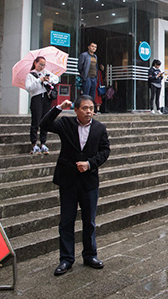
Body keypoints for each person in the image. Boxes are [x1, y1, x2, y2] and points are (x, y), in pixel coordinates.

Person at [40, 96, 110, 276]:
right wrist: (58, 108)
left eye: (91, 108)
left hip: (89, 181)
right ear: (76, 110)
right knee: (66, 221)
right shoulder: (66, 123)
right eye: (85, 108)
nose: (88, 111)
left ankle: (90, 255)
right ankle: (66, 259)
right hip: (68, 180)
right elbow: (44, 124)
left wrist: (90, 164)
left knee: (89, 221)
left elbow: (105, 151)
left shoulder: (99, 128)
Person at [25, 56, 59, 155]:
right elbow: (29, 88)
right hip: (36, 98)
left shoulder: (46, 72)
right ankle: (34, 143)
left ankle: (43, 142)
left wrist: (48, 79)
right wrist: (40, 80)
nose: (42, 67)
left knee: (45, 120)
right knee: (36, 121)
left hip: (46, 98)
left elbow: (56, 79)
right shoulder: (30, 75)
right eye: (40, 64)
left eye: (44, 65)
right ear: (35, 63)